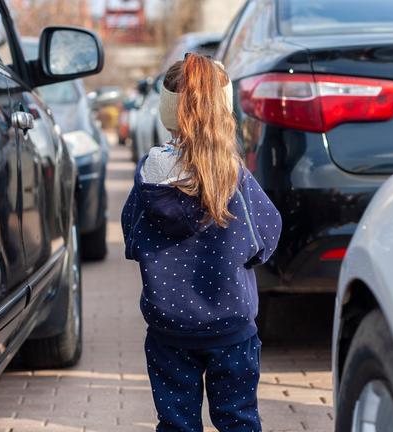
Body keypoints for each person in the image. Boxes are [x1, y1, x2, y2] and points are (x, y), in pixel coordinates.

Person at [121, 53, 282, 431]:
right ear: (222, 109)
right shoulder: (234, 177)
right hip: (231, 329)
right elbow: (266, 236)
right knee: (238, 419)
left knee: (176, 424)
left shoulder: (150, 176)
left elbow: (132, 235)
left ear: (168, 111)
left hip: (169, 329)